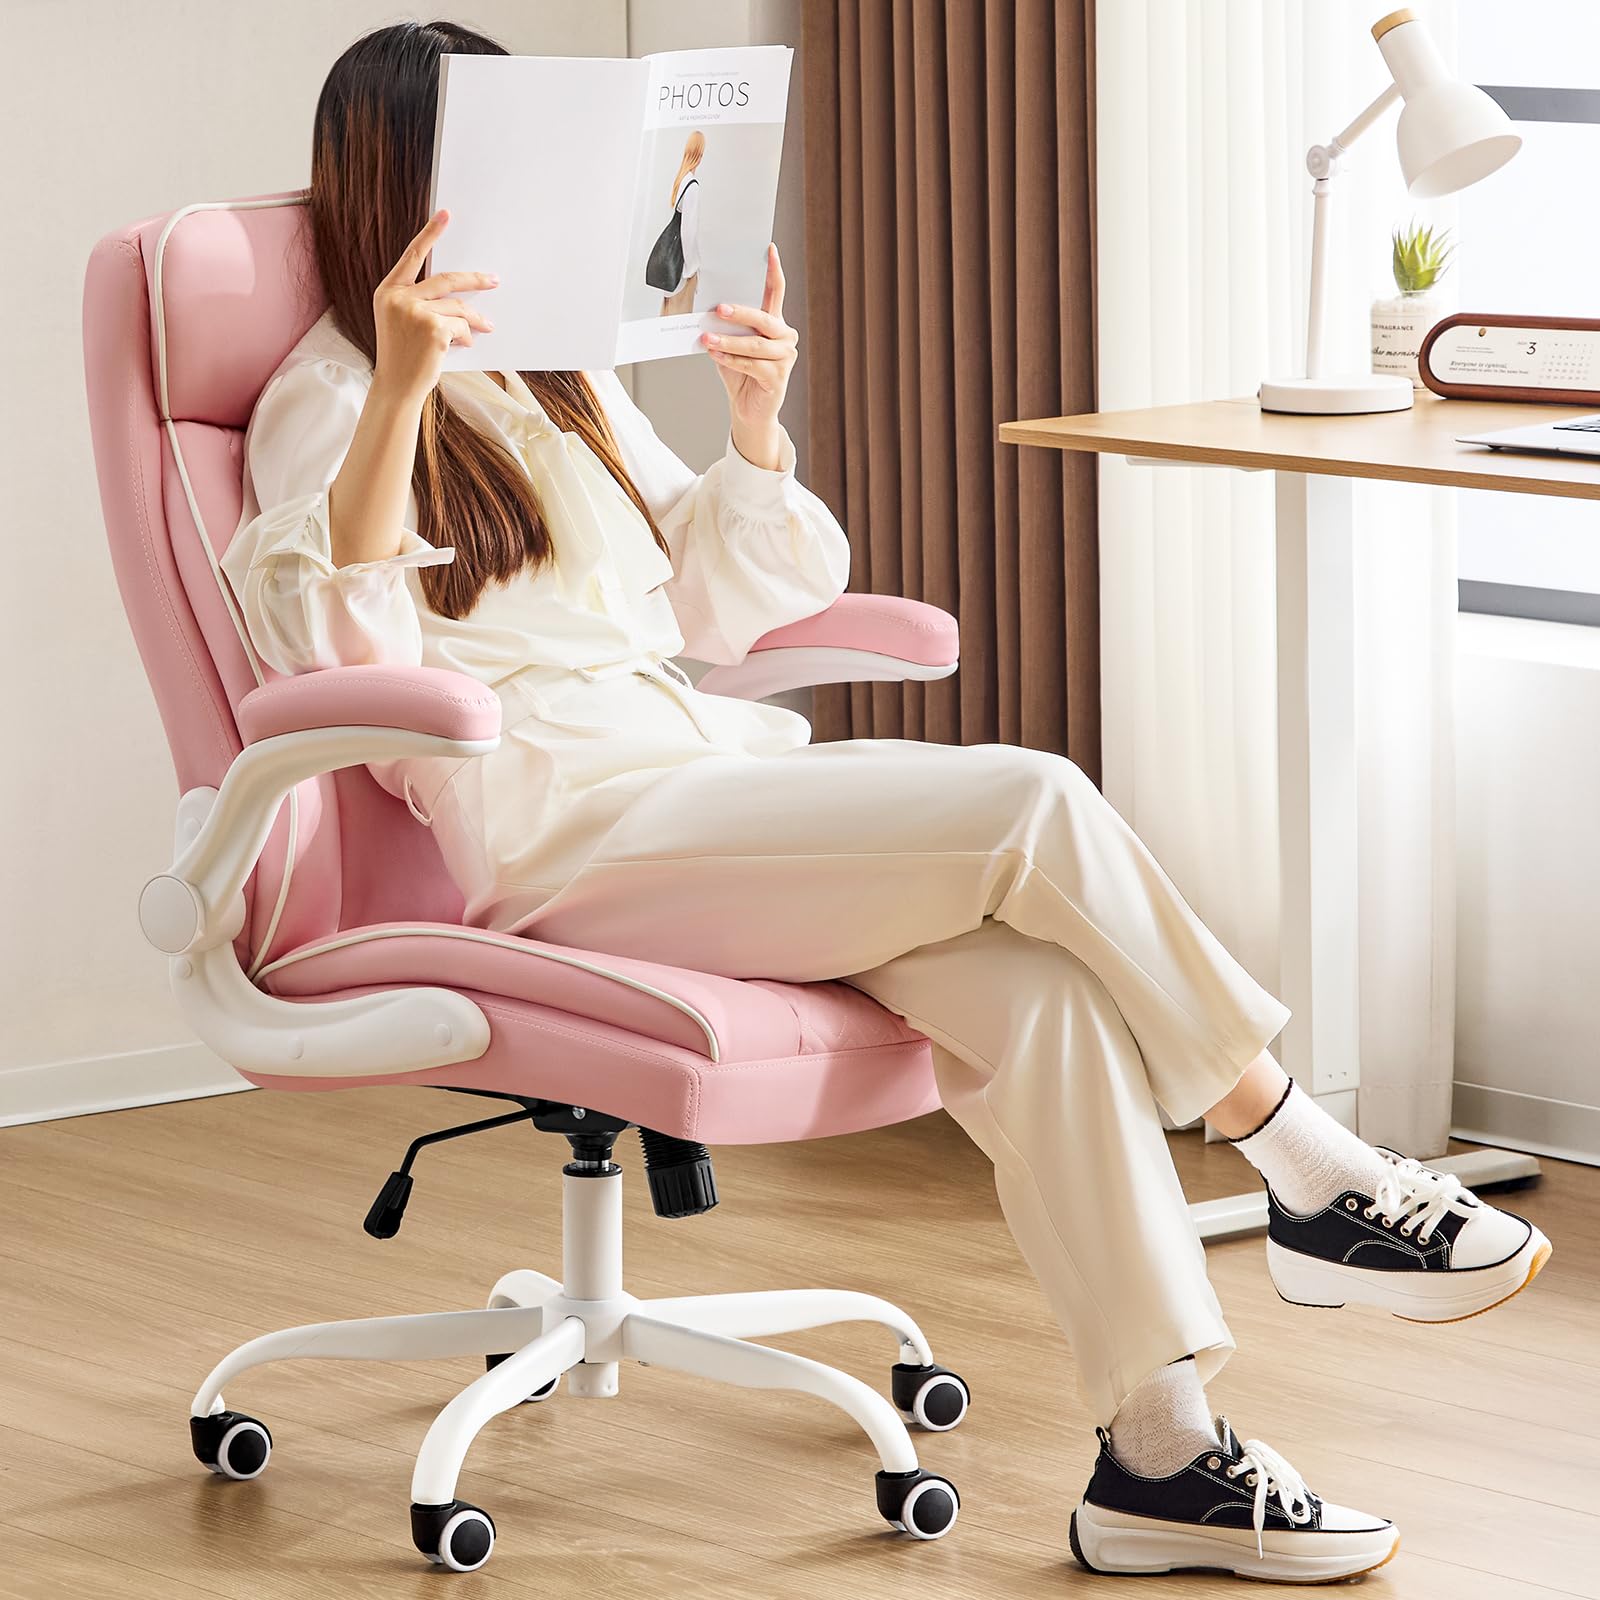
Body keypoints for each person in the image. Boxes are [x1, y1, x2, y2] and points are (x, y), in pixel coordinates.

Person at [220, 19, 1552, 1584]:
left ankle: (1159, 1457)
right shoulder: (323, 397)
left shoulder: (564, 378)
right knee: (1028, 800)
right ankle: (1308, 1164)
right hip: (563, 831)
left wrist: (759, 424)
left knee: (1045, 993)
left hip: (701, 787)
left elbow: (722, 605)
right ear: (408, 180)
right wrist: (402, 389)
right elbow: (343, 659)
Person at [658, 130, 703, 317]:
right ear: (699, 154)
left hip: (671, 267)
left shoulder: (679, 180)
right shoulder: (692, 186)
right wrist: (692, 269)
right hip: (682, 269)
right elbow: (687, 232)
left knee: (666, 315)